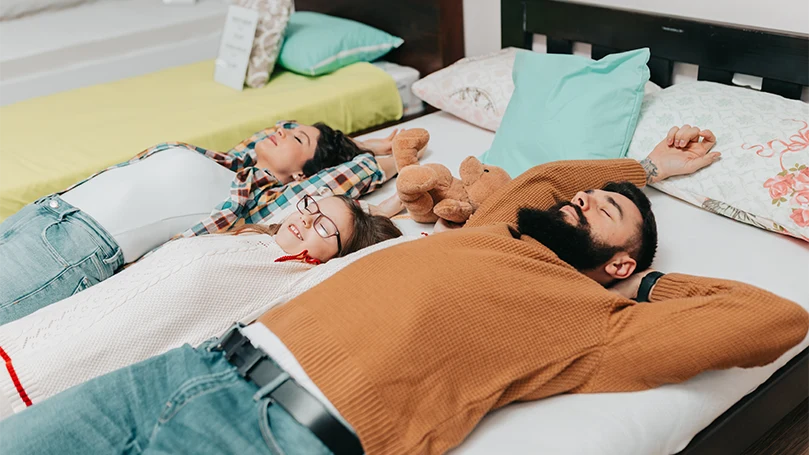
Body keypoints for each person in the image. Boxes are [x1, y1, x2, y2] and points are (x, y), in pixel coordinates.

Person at [2, 125, 807, 455]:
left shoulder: (598, 324)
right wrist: (645, 173)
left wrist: (648, 286)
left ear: (618, 265)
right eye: (584, 199)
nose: (578, 201)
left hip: (277, 435)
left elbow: (774, 318)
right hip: (189, 365)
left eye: (603, 215)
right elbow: (544, 176)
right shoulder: (500, 228)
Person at [0, 193, 407, 420]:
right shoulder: (249, 239)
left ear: (335, 256)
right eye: (310, 206)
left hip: (60, 371)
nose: (307, 219)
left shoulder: (294, 279)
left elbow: (379, 258)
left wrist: (398, 218)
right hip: (39, 332)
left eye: (324, 227)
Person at [0, 121, 406, 324]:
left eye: (296, 140)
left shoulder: (257, 198)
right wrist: (338, 137)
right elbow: (266, 140)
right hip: (44, 213)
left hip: (73, 249)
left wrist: (365, 149)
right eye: (285, 127)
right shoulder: (227, 160)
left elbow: (348, 177)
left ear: (304, 178)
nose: (282, 132)